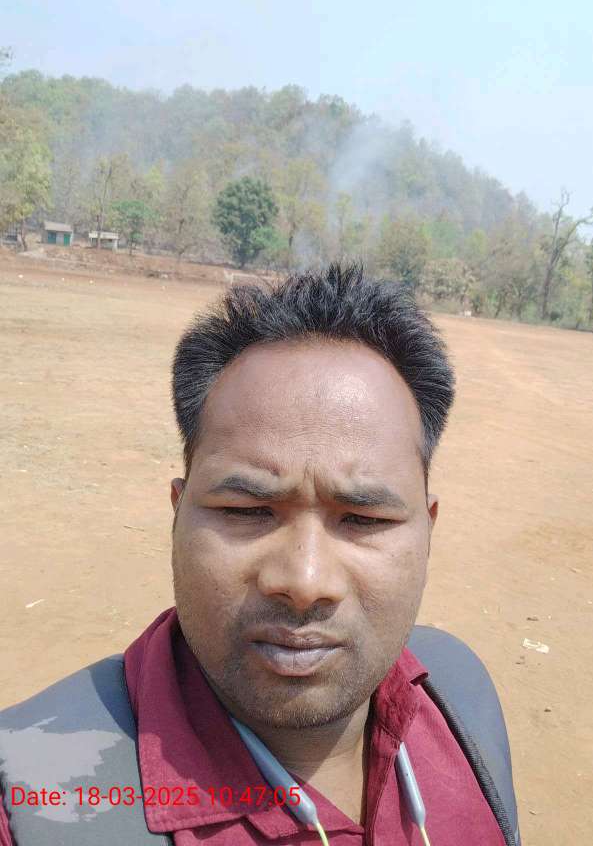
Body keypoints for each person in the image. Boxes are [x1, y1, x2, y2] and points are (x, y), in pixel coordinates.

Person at [0, 264, 520, 845]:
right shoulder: (33, 805)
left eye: (364, 519)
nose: (305, 580)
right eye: (248, 511)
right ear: (178, 512)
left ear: (427, 532)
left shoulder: (459, 706)